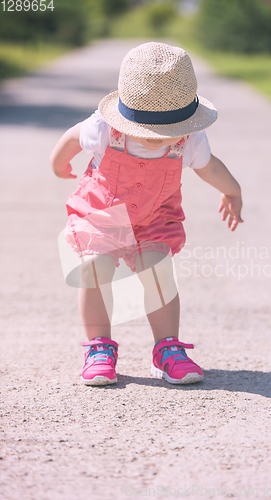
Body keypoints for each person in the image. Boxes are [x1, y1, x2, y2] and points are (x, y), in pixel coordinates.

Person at [50, 42, 243, 387]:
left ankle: (167, 349)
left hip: (156, 218)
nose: (158, 140)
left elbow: (211, 168)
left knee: (158, 273)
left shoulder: (191, 140)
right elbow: (73, 137)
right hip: (103, 212)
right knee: (95, 267)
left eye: (166, 132)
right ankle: (99, 347)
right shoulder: (105, 129)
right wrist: (58, 162)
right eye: (148, 132)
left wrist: (232, 191)